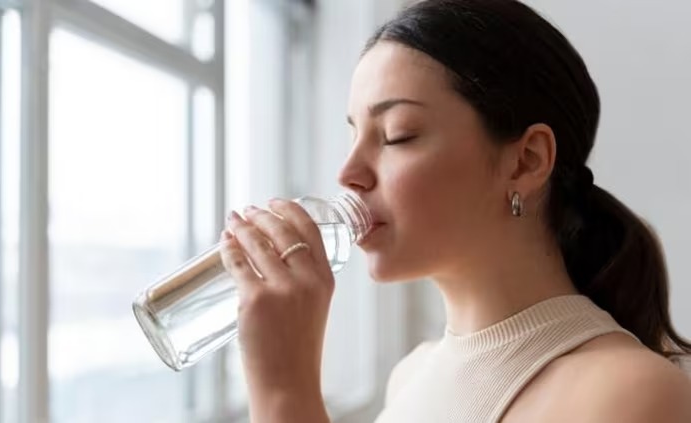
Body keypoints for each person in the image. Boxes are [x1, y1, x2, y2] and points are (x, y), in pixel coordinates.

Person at [218, 0, 691, 421]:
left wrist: (283, 391)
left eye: (397, 135)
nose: (348, 173)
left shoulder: (631, 393)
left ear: (526, 161)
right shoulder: (410, 374)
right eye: (352, 135)